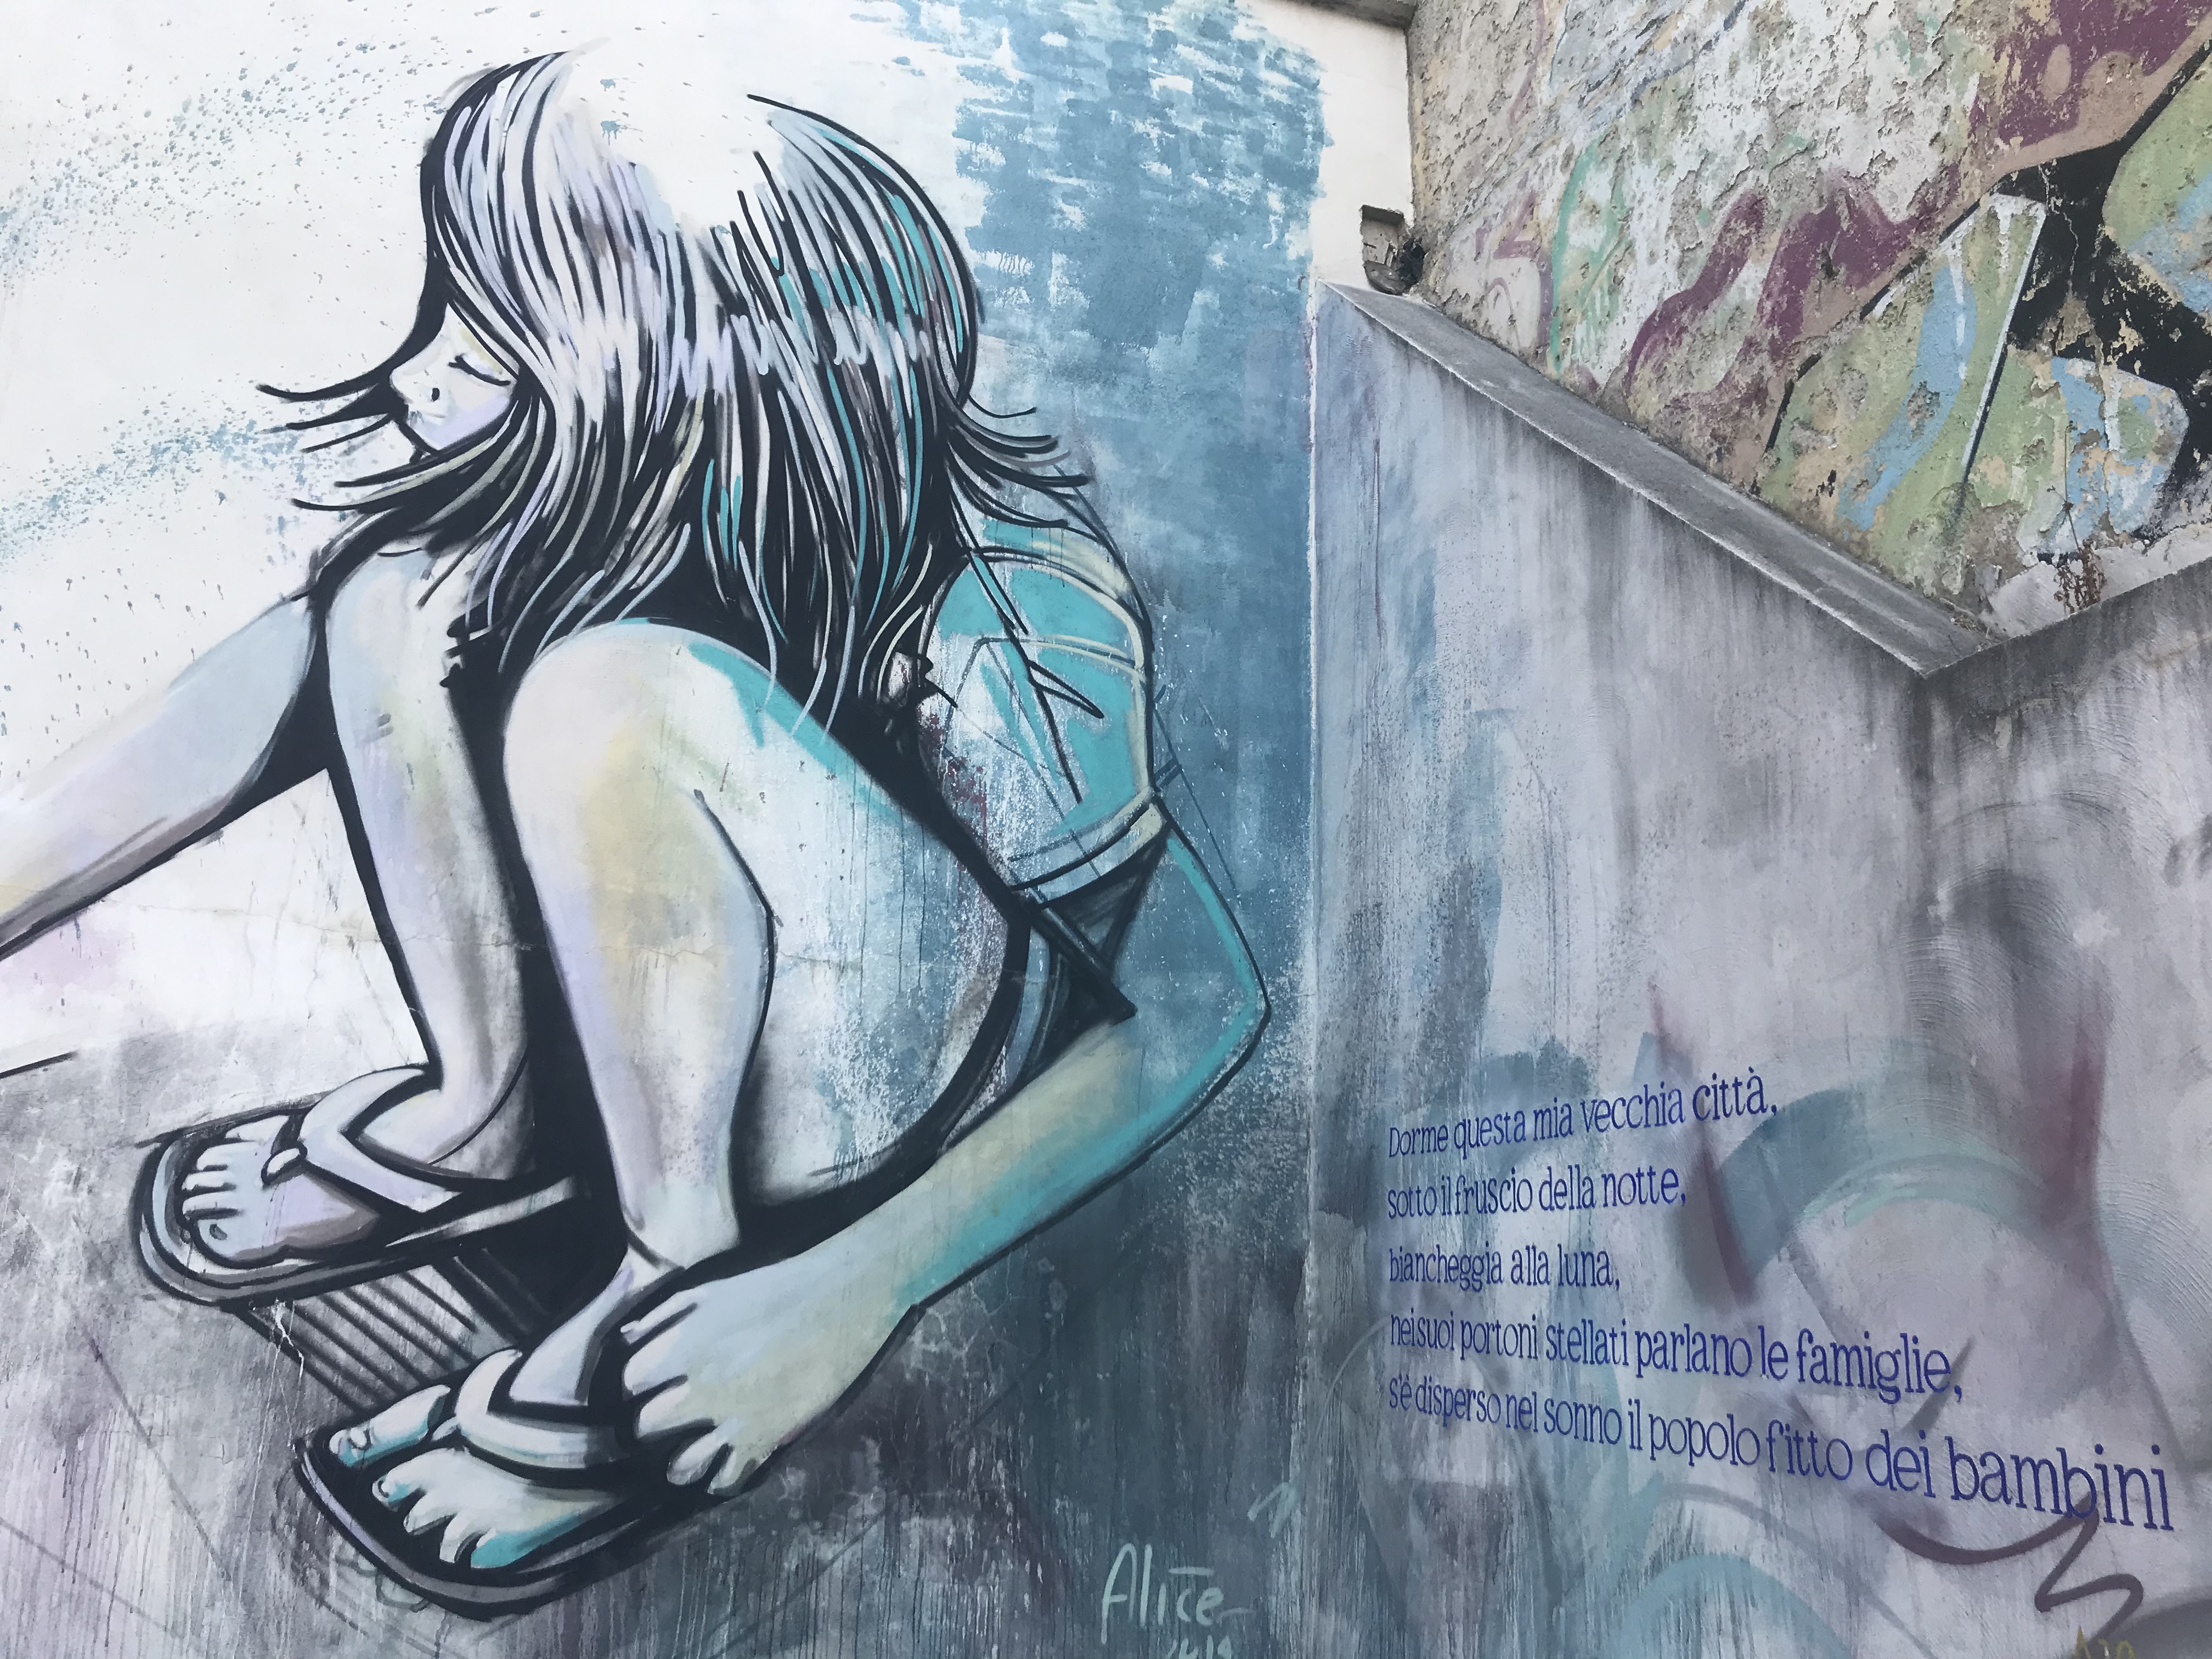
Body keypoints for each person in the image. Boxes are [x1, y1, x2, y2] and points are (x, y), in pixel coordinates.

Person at [0, 53, 1265, 1609]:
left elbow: (1195, 1003)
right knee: (388, 601)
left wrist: (852, 1293)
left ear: (672, 364)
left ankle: (677, 1270)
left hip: (888, 1098)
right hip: (668, 1056)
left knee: (613, 696)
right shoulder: (582, 506)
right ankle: (482, 1115)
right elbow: (219, 727)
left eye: (488, 324)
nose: (417, 371)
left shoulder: (1013, 617)